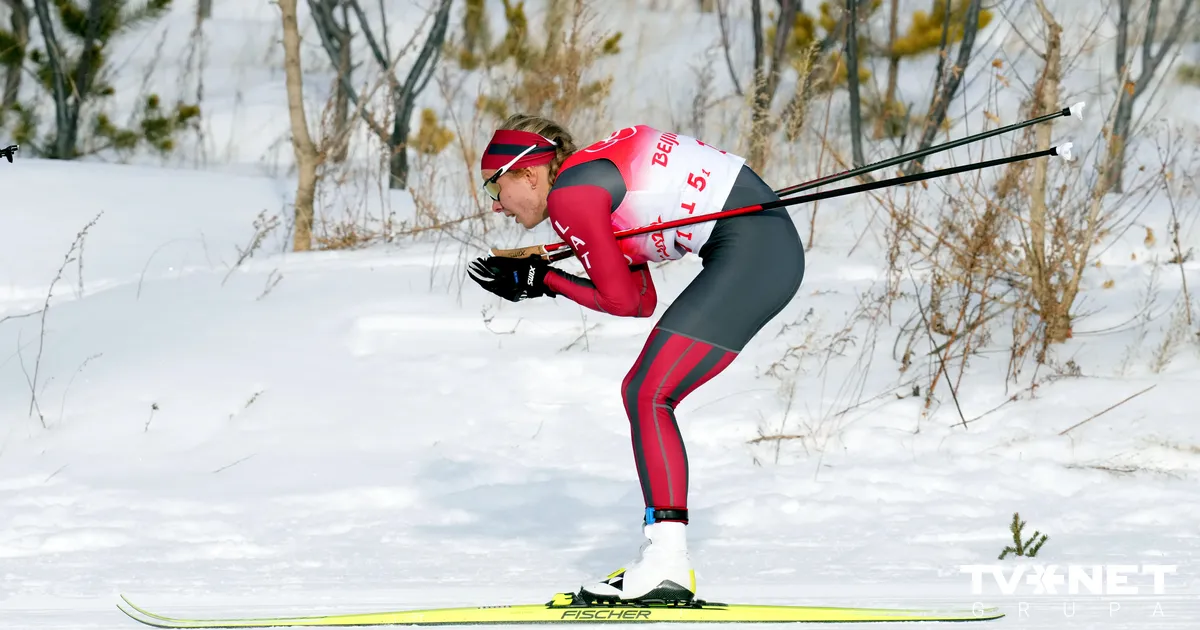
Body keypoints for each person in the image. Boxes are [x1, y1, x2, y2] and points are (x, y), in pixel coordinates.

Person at [467, 114, 805, 604]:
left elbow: (624, 303)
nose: (496, 205)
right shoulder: (591, 180)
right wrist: (545, 277)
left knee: (648, 393)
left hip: (753, 253)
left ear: (529, 172)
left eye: (494, 187)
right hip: (761, 248)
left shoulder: (571, 198)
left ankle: (667, 564)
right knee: (646, 392)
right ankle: (664, 560)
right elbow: (640, 299)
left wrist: (543, 280)